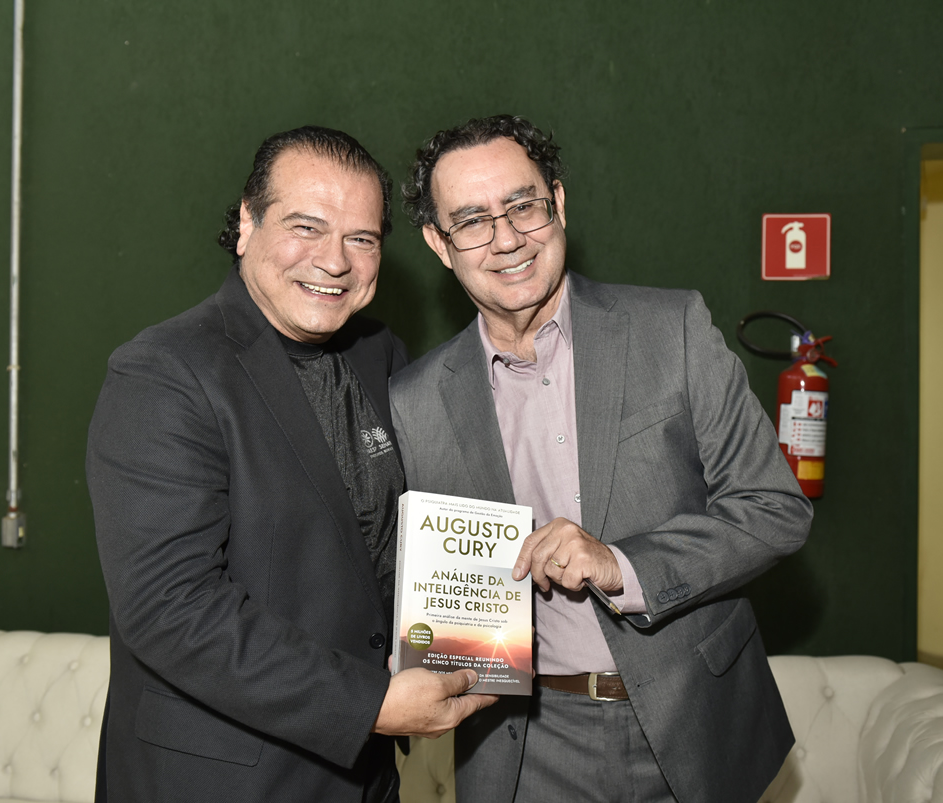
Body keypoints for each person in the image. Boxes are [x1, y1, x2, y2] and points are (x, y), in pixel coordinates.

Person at [390, 115, 813, 803]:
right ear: (439, 243)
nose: (506, 239)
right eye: (470, 221)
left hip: (693, 723)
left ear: (557, 202)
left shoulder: (672, 330)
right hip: (522, 745)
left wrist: (621, 564)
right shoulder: (414, 401)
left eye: (522, 206)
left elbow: (774, 509)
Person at [87, 125, 494, 803]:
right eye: (306, 227)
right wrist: (370, 704)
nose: (334, 261)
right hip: (217, 781)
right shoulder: (163, 372)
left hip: (363, 778)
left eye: (362, 239)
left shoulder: (380, 354)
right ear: (247, 223)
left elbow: (396, 546)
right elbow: (169, 607)